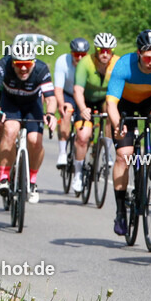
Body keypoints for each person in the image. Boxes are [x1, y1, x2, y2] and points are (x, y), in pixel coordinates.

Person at [105, 29, 151, 236]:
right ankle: (121, 211)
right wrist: (117, 124)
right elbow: (111, 103)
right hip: (124, 103)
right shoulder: (123, 65)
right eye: (147, 57)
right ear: (139, 54)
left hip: (150, 98)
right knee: (124, 156)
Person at [0, 41, 57, 204]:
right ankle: (4, 176)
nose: (23, 68)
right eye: (19, 64)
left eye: (27, 64)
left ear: (33, 62)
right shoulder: (2, 66)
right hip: (10, 103)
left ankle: (32, 181)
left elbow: (51, 98)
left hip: (33, 105)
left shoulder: (41, 69)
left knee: (34, 141)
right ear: (12, 61)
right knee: (10, 130)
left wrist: (51, 113)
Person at [53, 38, 88, 192]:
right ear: (71, 53)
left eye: (82, 54)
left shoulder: (89, 64)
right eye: (76, 54)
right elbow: (58, 89)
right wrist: (61, 105)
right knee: (66, 113)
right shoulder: (63, 61)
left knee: (84, 131)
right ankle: (62, 152)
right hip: (67, 94)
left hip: (83, 96)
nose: (79, 58)